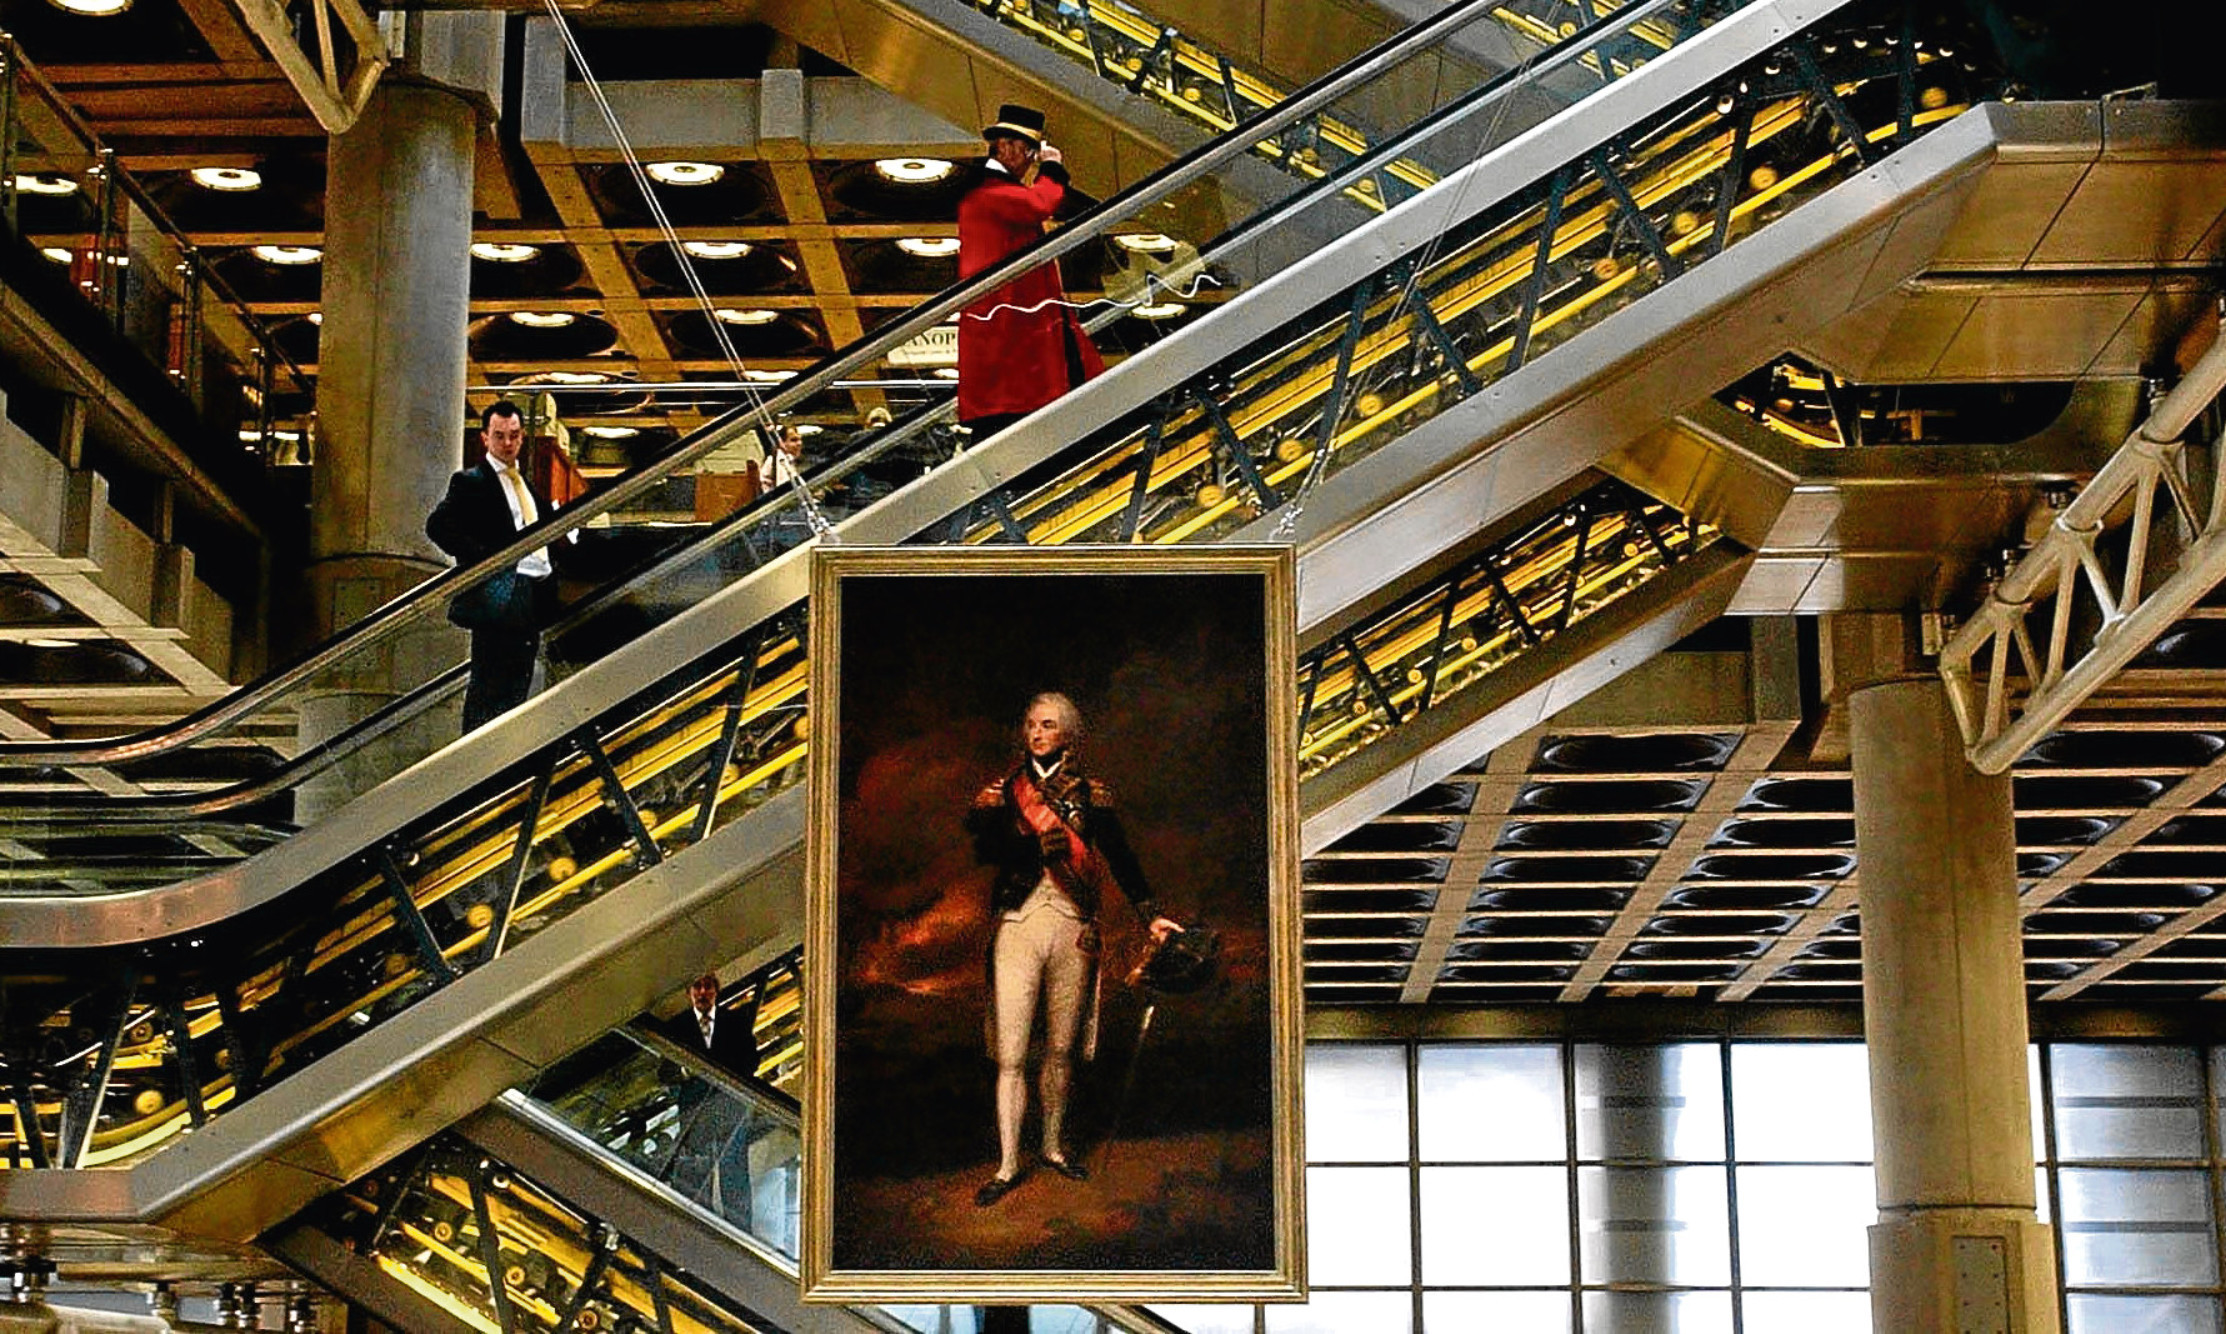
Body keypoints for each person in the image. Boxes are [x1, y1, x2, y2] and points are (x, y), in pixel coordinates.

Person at [965, 692, 1181, 1206]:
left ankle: (1054, 1147)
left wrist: (1149, 913)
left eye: (1047, 726)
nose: (1036, 734)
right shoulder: (1004, 791)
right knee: (1012, 1055)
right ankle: (1008, 1163)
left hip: (1073, 927)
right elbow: (981, 848)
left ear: (1067, 734)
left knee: (1061, 1049)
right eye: (1031, 725)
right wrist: (1028, 847)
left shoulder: (1093, 796)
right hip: (1018, 923)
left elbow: (1120, 856)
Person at [956, 104, 1105, 443]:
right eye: (1028, 151)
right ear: (1006, 146)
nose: (1029, 160)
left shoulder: (989, 191)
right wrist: (1052, 167)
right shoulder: (990, 193)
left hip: (1015, 313)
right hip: (1011, 314)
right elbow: (1039, 204)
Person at [427, 401, 570, 732]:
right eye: (500, 436)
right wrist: (486, 561)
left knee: (520, 683)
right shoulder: (471, 482)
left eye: (515, 435)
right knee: (490, 684)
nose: (508, 443)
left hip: (536, 594)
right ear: (485, 438)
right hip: (503, 592)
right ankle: (478, 761)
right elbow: (438, 526)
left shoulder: (528, 486)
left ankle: (504, 758)